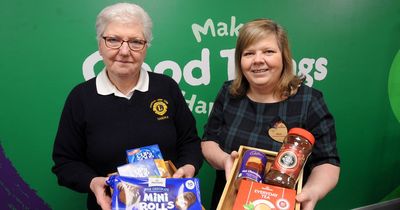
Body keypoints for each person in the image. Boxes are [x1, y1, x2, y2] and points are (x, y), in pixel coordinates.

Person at [51, 3, 203, 210]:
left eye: (135, 42)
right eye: (113, 40)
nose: (124, 51)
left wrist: (188, 167)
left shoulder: (166, 87)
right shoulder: (81, 97)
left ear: (146, 46)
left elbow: (190, 142)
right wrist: (93, 182)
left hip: (171, 203)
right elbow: (65, 162)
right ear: (100, 44)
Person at [202, 18, 340, 210]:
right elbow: (209, 141)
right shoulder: (229, 93)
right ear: (240, 60)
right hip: (230, 200)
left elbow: (327, 162)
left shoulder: (309, 100)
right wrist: (226, 161)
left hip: (283, 203)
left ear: (283, 56)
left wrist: (313, 191)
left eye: (268, 51)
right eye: (249, 53)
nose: (258, 60)